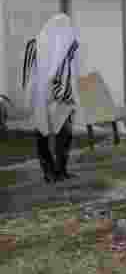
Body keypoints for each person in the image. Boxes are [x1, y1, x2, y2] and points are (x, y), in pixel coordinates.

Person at [22, 14, 82, 183]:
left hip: (58, 97)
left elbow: (72, 72)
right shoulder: (34, 45)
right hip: (47, 97)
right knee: (46, 134)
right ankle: (51, 172)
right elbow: (29, 73)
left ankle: (58, 171)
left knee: (61, 135)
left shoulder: (68, 46)